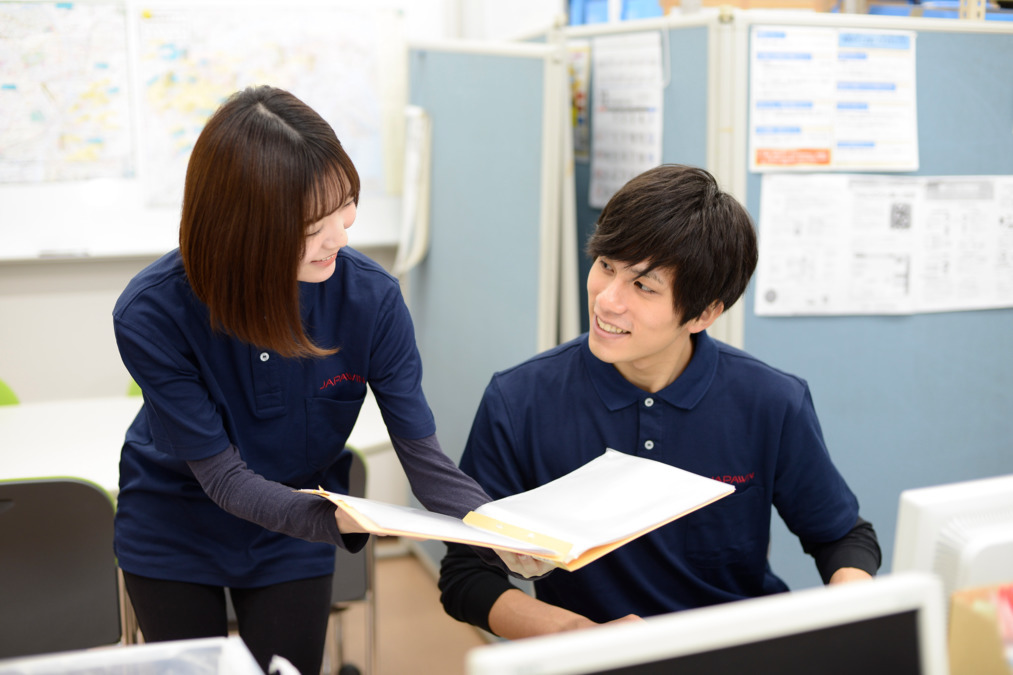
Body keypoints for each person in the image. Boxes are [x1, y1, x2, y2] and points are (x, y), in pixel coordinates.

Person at [112, 85, 539, 674]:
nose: (340, 236)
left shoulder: (371, 300)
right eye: (312, 224)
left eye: (345, 207)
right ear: (243, 228)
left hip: (293, 533)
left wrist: (503, 532)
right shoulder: (151, 313)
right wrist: (336, 518)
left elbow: (424, 460)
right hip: (174, 526)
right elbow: (225, 481)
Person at [438, 164, 882, 640]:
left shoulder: (771, 402)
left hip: (739, 653)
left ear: (705, 312)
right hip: (596, 656)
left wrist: (843, 623)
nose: (607, 301)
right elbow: (467, 575)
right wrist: (577, 634)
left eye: (644, 287)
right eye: (605, 265)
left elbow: (841, 535)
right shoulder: (519, 400)